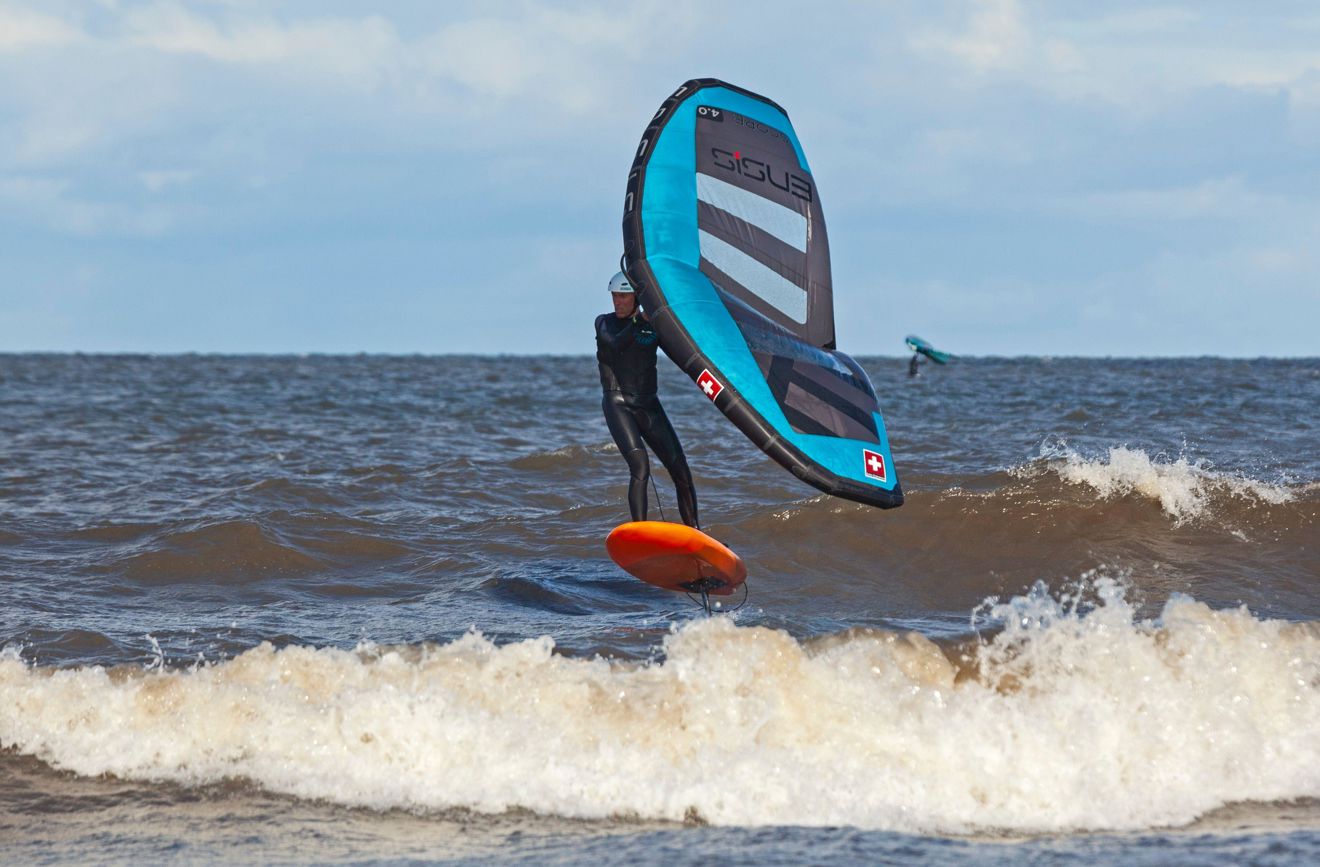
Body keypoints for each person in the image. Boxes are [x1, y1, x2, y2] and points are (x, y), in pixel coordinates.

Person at [595, 271, 699, 528]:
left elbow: (681, 351)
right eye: (615, 296)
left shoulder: (651, 326)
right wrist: (640, 320)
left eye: (623, 296)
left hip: (648, 405)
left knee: (682, 472)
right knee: (640, 466)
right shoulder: (603, 324)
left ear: (637, 297)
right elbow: (616, 345)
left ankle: (696, 535)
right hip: (618, 404)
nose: (617, 302)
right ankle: (640, 533)